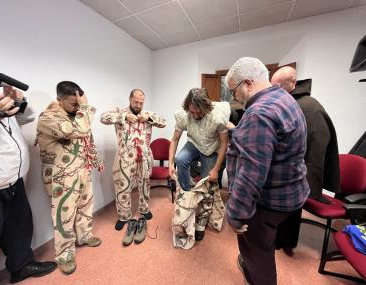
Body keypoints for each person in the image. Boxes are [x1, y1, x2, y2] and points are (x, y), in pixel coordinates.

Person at [225, 57, 310, 285]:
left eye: (233, 91)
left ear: (247, 83)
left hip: (268, 201)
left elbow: (251, 173)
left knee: (257, 252)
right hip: (292, 192)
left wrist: (235, 214)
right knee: (263, 244)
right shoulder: (285, 98)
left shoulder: (258, 114)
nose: (234, 97)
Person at [0, 59, 57, 284]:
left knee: (19, 227)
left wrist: (19, 100)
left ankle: (21, 265)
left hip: (13, 181)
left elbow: (26, 118)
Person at [271, 66, 340, 256]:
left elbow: (317, 146)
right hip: (289, 168)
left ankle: (285, 242)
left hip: (298, 171)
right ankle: (280, 240)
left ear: (293, 84)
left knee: (291, 207)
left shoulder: (309, 107)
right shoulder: (291, 103)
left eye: (277, 86)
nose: (273, 90)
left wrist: (309, 181)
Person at [36, 81, 104, 274]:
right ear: (59, 99)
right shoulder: (48, 118)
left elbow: (87, 138)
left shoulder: (77, 116)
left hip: (82, 169)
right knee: (64, 214)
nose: (78, 107)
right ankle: (64, 253)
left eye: (79, 103)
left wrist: (96, 159)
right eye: (74, 104)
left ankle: (84, 235)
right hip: (61, 175)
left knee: (85, 205)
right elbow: (78, 130)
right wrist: (86, 107)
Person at [100, 89, 166, 246]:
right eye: (136, 102)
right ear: (130, 99)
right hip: (124, 156)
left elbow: (163, 122)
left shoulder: (148, 114)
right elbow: (103, 117)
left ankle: (144, 209)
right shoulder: (120, 112)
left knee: (144, 184)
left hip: (144, 156)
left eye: (141, 102)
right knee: (122, 187)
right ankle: (124, 216)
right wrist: (123, 117)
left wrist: (149, 117)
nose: (139, 105)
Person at [168, 88, 230, 241]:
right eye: (192, 112)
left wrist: (216, 169)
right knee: (181, 160)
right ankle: (188, 196)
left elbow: (224, 143)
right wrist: (170, 164)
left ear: (206, 108)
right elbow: (174, 139)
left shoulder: (218, 117)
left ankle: (202, 220)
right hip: (194, 143)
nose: (195, 115)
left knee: (207, 183)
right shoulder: (183, 116)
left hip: (211, 148)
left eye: (199, 112)